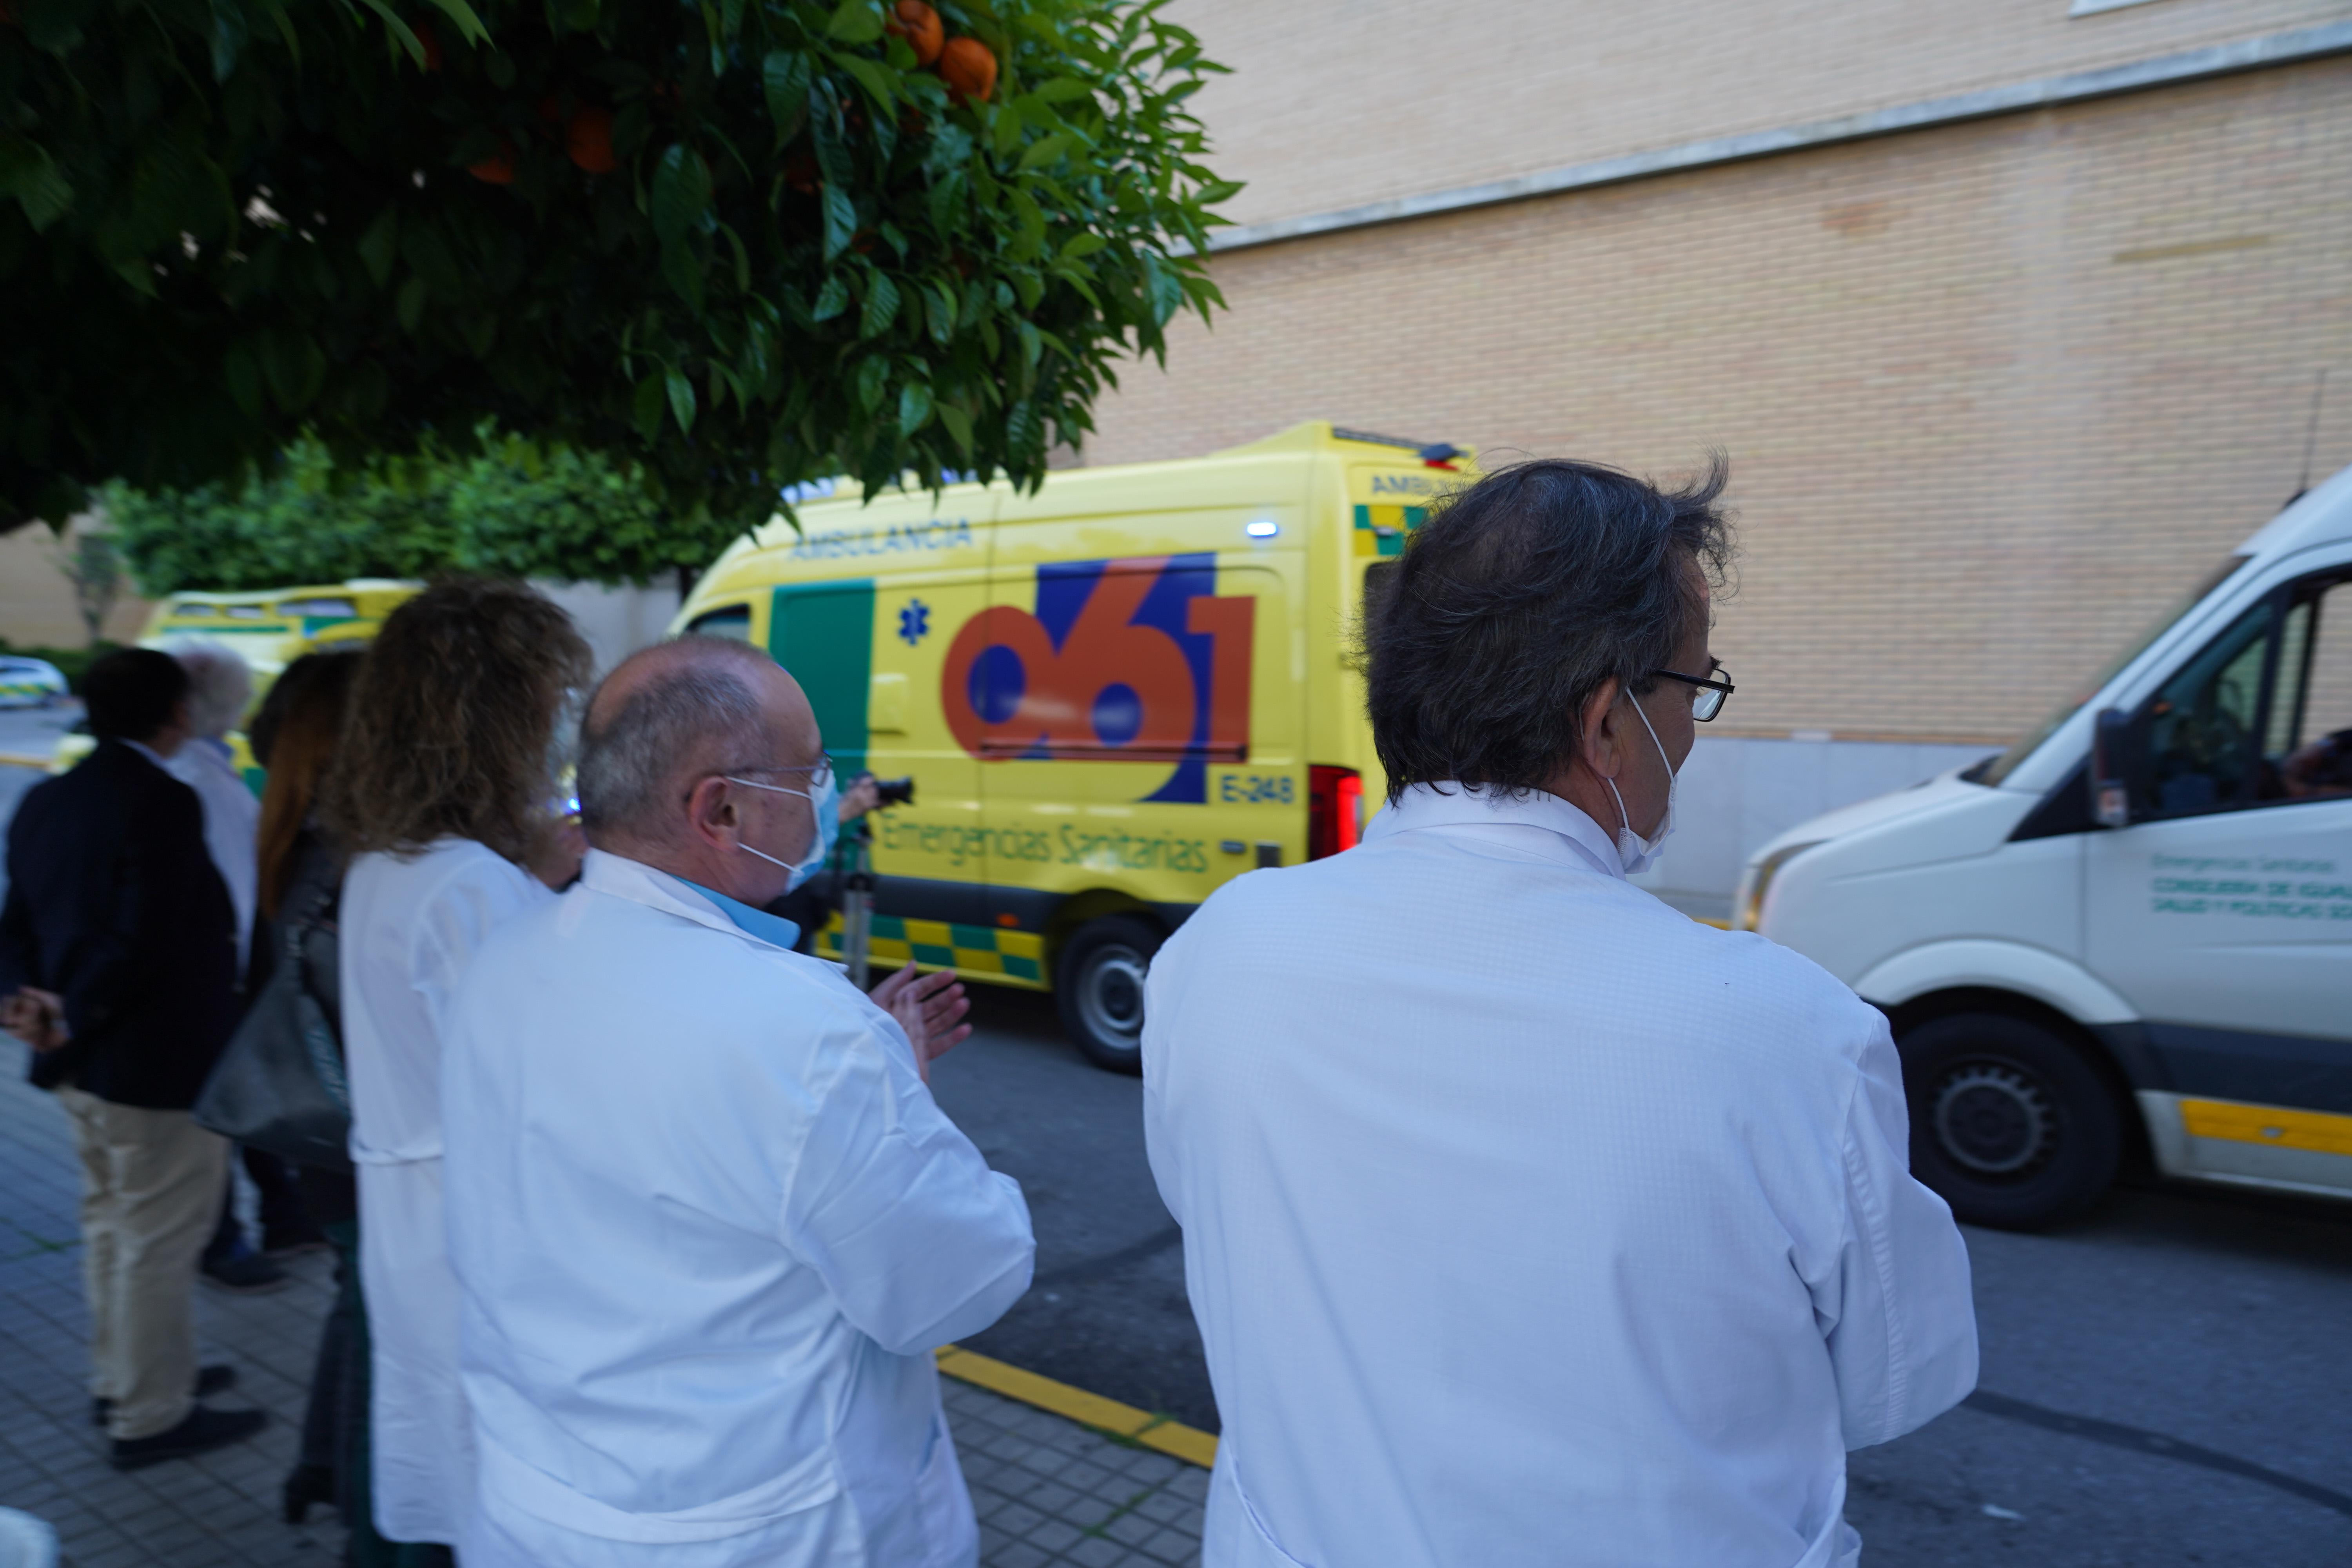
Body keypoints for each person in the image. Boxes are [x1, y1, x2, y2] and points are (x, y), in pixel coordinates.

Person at [1142, 459, 1978, 1568]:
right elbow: (1894, 1380)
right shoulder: (1784, 1034)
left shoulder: (1218, 950)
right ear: (1607, 724)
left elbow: (1228, 1232)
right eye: (1695, 686)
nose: (1693, 726)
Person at [441, 635, 1034, 1568]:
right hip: (759, 1526)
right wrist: (897, 1099)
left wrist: (864, 1088)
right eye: (812, 773)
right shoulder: (808, 1031)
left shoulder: (506, 956)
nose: (829, 795)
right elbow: (957, 1282)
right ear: (721, 807)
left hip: (531, 1501)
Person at [318, 579, 593, 1559]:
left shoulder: (392, 861)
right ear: (495, 718)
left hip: (414, 1219)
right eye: (546, 702)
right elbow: (542, 1088)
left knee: (442, 1452)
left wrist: (534, 877)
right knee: (500, 1488)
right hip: (475, 1230)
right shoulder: (470, 882)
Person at [0, 648, 269, 1468]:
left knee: (114, 1224)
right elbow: (141, 934)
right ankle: (150, 1412)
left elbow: (17, 917)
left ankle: (128, 1375)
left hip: (78, 1061)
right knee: (154, 1234)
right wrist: (74, 1010)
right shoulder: (162, 799)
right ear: (178, 716)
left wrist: (26, 1000)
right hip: (149, 1061)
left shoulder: (49, 796)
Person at [236, 648, 405, 1555]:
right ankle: (362, 1520)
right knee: (382, 1338)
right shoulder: (352, 859)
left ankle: (322, 1470)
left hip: (327, 1140)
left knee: (357, 1307)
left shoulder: (297, 834)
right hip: (359, 1142)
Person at [157, 635, 309, 1295]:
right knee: (223, 1106)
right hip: (228, 973)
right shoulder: (196, 780)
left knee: (240, 1099)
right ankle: (228, 1237)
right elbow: (234, 888)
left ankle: (274, 1217)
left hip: (232, 971)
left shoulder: (204, 770)